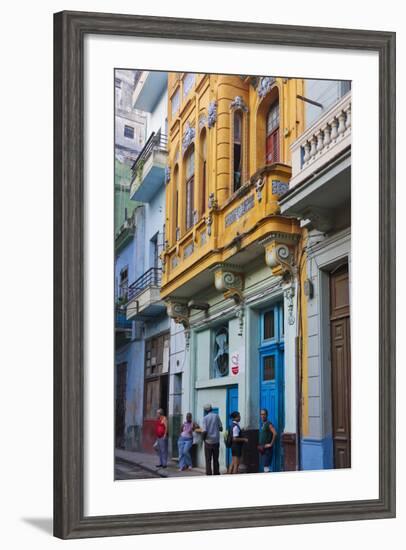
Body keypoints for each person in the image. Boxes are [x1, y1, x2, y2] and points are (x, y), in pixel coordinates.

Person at [201, 404, 223, 475]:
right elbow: (221, 428)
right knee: (216, 459)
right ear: (211, 409)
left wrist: (203, 439)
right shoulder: (216, 416)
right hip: (216, 441)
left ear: (206, 410)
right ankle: (216, 473)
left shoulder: (205, 418)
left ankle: (209, 473)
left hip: (208, 442)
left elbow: (204, 431)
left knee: (208, 459)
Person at [257, 408, 277, 472]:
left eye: (264, 414)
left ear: (267, 415)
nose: (262, 416)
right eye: (261, 414)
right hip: (262, 448)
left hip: (267, 449)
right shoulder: (263, 424)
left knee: (266, 467)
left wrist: (271, 444)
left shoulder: (269, 424)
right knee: (265, 467)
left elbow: (275, 433)